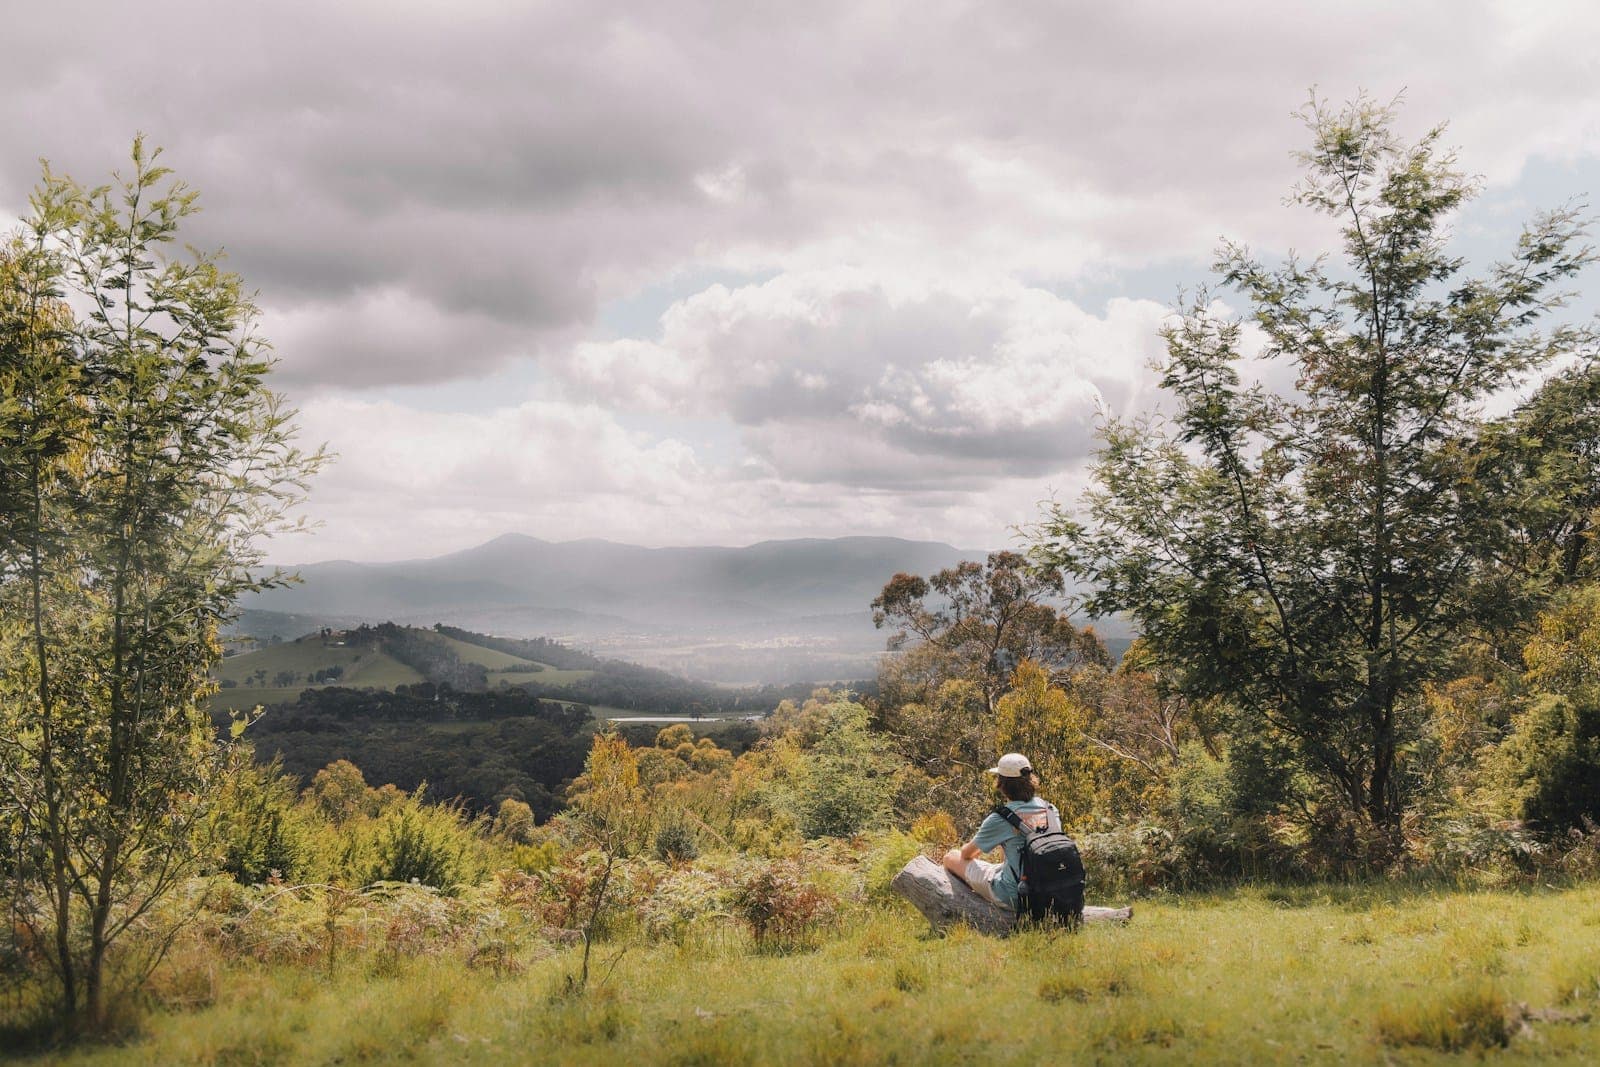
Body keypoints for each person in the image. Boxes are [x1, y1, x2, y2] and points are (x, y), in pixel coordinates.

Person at [941, 752, 1061, 911]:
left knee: (951, 857)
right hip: (1051, 894)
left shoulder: (1002, 818)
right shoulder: (1050, 809)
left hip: (1014, 896)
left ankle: (963, 910)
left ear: (1002, 784)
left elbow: (967, 855)